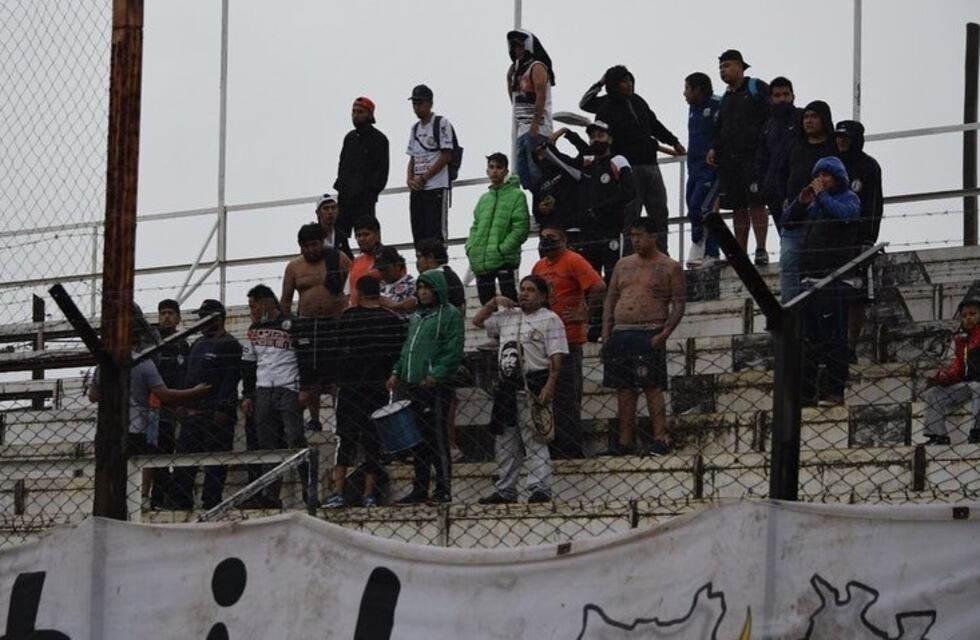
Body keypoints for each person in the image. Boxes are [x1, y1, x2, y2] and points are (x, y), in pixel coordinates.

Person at [473, 276, 567, 503]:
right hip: (506, 386)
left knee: (535, 438)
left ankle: (539, 487)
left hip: (534, 383)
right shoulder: (507, 318)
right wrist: (494, 301)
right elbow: (477, 321)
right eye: (522, 289)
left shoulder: (550, 319)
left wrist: (550, 385)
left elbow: (556, 357)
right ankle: (506, 489)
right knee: (505, 442)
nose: (524, 294)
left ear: (543, 296)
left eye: (531, 290)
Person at [601, 218, 686, 456]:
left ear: (653, 236)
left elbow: (679, 304)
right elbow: (611, 299)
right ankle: (625, 441)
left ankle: (660, 437)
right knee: (624, 387)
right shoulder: (623, 264)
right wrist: (606, 333)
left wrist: (664, 334)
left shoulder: (669, 266)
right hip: (621, 331)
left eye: (640, 235)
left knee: (652, 385)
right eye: (633, 236)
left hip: (650, 330)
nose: (635, 240)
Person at [321, 276, 407, 508]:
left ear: (357, 292)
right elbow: (398, 352)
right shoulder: (391, 319)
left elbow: (336, 350)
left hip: (350, 387)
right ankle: (369, 493)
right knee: (372, 440)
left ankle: (338, 492)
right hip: (377, 387)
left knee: (345, 439)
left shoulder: (348, 317)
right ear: (379, 293)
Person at [580, 65, 685, 253]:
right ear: (613, 84)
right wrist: (601, 82)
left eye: (630, 80)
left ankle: (662, 254)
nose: (628, 84)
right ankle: (630, 258)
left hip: (650, 165)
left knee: (659, 212)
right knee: (631, 216)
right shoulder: (606, 107)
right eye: (623, 81)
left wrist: (674, 141)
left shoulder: (638, 101)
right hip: (628, 168)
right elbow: (585, 103)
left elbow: (654, 124)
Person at [782, 157, 861, 406]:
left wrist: (823, 198)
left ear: (838, 178)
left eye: (826, 175)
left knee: (833, 340)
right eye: (818, 175)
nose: (820, 180)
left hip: (833, 281)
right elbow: (787, 222)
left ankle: (835, 390)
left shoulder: (848, 198)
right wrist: (800, 203)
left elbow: (846, 217)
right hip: (808, 283)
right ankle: (806, 394)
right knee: (808, 342)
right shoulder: (814, 204)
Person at [87, 304, 209, 459]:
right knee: (141, 466)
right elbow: (163, 394)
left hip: (109, 428)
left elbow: (93, 395)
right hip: (137, 428)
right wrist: (194, 392)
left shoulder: (104, 363)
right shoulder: (144, 362)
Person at [387, 270, 464, 504]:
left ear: (438, 289)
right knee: (417, 440)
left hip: (436, 388)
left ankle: (443, 488)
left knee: (437, 438)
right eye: (420, 288)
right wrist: (396, 372)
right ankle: (419, 488)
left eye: (428, 288)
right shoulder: (417, 317)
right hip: (412, 385)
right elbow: (407, 349)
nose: (423, 292)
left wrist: (436, 375)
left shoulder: (450, 314)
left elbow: (453, 349)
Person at [532, 224, 606, 458]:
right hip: (542, 340)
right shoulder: (539, 265)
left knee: (566, 394)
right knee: (545, 395)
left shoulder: (574, 260)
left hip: (568, 338)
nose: (545, 241)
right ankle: (550, 445)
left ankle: (570, 448)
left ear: (563, 239)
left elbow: (598, 285)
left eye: (551, 237)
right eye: (543, 237)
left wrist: (585, 313)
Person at [171, 299, 243, 509]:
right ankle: (180, 500)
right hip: (193, 412)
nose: (201, 322)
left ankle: (211, 501)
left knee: (216, 461)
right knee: (185, 459)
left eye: (205, 317)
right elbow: (187, 376)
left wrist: (223, 406)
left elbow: (231, 378)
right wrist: (182, 403)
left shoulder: (230, 344)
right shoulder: (198, 344)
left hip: (215, 413)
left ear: (217, 319)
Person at [240, 285, 306, 508]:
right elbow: (248, 364)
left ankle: (308, 489)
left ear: (266, 303)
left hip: (289, 387)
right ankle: (270, 495)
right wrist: (247, 394)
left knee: (295, 438)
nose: (251, 311)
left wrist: (305, 388)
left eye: (253, 306)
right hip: (263, 390)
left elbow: (305, 357)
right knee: (267, 445)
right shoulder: (253, 329)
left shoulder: (292, 324)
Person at [281, 222, 351, 432]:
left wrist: (347, 316)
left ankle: (340, 418)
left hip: (335, 323)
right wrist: (292, 324)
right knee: (311, 376)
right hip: (307, 326)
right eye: (306, 246)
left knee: (336, 375)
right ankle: (314, 419)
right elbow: (285, 300)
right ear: (300, 246)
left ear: (322, 242)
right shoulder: (294, 267)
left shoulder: (338, 258)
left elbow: (352, 288)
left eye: (314, 244)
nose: (311, 249)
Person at [707, 49, 771, 265]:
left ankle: (761, 248)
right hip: (730, 161)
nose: (723, 71)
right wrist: (714, 148)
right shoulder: (725, 98)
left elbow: (771, 116)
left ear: (740, 67)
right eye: (720, 67)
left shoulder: (756, 87)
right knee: (737, 207)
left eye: (727, 66)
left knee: (756, 202)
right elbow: (720, 127)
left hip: (753, 158)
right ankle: (739, 253)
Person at [777, 101, 838, 303]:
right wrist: (784, 199)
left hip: (822, 219)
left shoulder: (834, 148)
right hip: (795, 216)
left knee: (817, 271)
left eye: (813, 116)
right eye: (805, 117)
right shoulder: (794, 145)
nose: (808, 121)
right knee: (788, 261)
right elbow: (779, 173)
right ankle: (788, 311)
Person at [836, 120, 884, 360]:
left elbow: (875, 203)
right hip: (832, 240)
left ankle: (850, 347)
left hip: (858, 240)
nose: (842, 141)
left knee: (856, 295)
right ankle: (832, 345)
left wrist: (868, 237)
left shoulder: (869, 166)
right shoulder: (831, 164)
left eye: (846, 137)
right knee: (831, 293)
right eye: (839, 137)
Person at [415, 239, 466, 462]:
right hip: (444, 345)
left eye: (420, 257)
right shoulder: (451, 276)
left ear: (431, 258)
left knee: (441, 402)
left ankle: (447, 446)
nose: (417, 262)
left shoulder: (439, 278)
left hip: (439, 349)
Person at [465, 152, 530, 305]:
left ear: (506, 171)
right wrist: (471, 247)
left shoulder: (517, 195)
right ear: (487, 170)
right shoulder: (484, 199)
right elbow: (475, 226)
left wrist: (502, 249)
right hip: (481, 260)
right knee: (486, 306)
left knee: (510, 302)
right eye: (491, 167)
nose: (494, 171)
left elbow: (521, 228)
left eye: (499, 167)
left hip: (504, 260)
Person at [578, 120, 635, 283]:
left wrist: (603, 208)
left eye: (600, 135)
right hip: (590, 232)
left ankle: (614, 308)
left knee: (614, 275)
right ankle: (595, 308)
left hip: (613, 228)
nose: (596, 140)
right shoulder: (588, 164)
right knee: (591, 278)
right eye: (592, 137)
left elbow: (629, 191)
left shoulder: (618, 160)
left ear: (610, 139)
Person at [334, 96, 389, 255]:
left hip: (365, 200)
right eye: (353, 112)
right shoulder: (349, 138)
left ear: (370, 115)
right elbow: (342, 165)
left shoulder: (379, 140)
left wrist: (370, 192)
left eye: (360, 112)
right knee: (339, 240)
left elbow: (382, 173)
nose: (355, 115)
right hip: (345, 198)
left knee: (368, 240)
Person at [150, 298, 190, 509]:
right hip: (156, 405)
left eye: (170, 313)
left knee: (176, 451)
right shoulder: (153, 342)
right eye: (163, 313)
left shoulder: (183, 343)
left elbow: (186, 375)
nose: (166, 317)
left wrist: (182, 402)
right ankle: (157, 498)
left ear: (178, 318)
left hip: (178, 404)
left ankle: (173, 497)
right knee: (158, 452)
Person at [922, 298, 980, 445]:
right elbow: (958, 368)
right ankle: (937, 435)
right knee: (934, 393)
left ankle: (976, 432)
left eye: (973, 314)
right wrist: (942, 377)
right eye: (964, 315)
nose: (968, 318)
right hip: (967, 383)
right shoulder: (961, 341)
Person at [406, 84, 455, 245]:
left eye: (420, 103)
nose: (417, 107)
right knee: (418, 231)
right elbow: (412, 156)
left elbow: (447, 155)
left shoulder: (441, 123)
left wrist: (425, 177)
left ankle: (439, 263)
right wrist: (410, 179)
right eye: (414, 103)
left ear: (430, 103)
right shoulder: (415, 128)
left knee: (435, 232)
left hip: (436, 186)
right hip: (418, 188)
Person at [507, 29, 555, 191]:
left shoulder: (537, 67)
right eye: (514, 48)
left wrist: (535, 123)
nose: (517, 51)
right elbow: (513, 99)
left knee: (539, 173)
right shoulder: (515, 71)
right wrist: (510, 77)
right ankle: (537, 202)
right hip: (522, 129)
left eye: (520, 47)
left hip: (538, 128)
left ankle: (545, 203)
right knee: (523, 175)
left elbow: (540, 95)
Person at [682, 72, 722, 268]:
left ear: (698, 89)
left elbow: (726, 129)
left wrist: (717, 149)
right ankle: (702, 248)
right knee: (692, 207)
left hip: (711, 169)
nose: (684, 94)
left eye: (687, 89)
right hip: (694, 168)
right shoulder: (692, 109)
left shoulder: (718, 104)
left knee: (703, 207)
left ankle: (710, 252)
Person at [757, 77, 801, 233]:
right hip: (774, 190)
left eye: (786, 94)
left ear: (793, 96)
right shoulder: (767, 126)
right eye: (777, 95)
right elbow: (762, 160)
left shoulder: (803, 118)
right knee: (784, 236)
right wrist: (764, 187)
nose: (782, 99)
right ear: (770, 99)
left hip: (798, 188)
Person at [348, 215, 384, 308]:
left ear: (377, 234)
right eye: (358, 235)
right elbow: (348, 292)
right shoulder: (356, 261)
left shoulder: (387, 257)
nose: (361, 239)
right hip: (356, 314)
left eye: (366, 234)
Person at [375, 245, 417, 316]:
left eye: (385, 269)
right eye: (379, 269)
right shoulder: (379, 286)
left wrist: (392, 305)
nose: (382, 273)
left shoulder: (412, 285)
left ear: (397, 265)